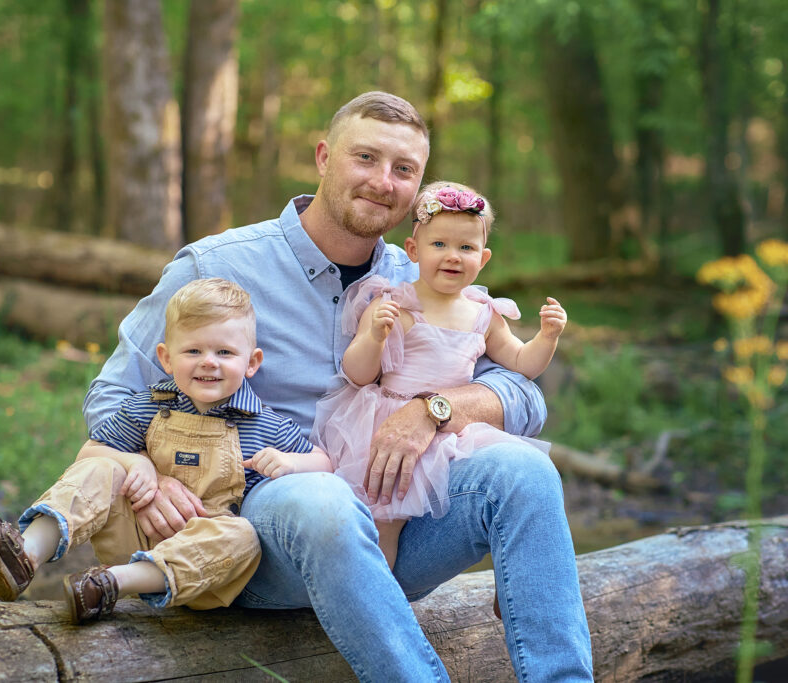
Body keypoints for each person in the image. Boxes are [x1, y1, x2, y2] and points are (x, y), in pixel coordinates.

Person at [85, 92, 593, 680]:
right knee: (320, 497)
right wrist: (146, 474)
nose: (383, 181)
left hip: (391, 527)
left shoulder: (424, 276)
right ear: (324, 157)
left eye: (404, 170)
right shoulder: (214, 266)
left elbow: (526, 396)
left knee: (526, 473)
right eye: (366, 158)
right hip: (252, 532)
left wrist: (436, 407)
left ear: (419, 190)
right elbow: (111, 399)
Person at [0, 278, 332, 624]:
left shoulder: (263, 424)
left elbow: (325, 463)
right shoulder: (149, 406)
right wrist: (135, 461)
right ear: (167, 358)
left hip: (205, 569)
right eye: (193, 350)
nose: (208, 361)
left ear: (251, 363)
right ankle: (25, 554)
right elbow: (89, 452)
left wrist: (290, 461)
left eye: (224, 351)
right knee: (105, 468)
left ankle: (111, 586)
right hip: (135, 535)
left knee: (244, 536)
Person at [312, 180, 567, 568]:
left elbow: (521, 362)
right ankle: (380, 593)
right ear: (414, 250)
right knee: (386, 520)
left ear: (482, 259)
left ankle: (517, 567)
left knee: (522, 479)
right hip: (389, 421)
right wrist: (374, 337)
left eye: (465, 248)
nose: (453, 256)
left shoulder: (484, 313)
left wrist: (547, 337)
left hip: (451, 430)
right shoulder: (392, 303)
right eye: (439, 245)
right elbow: (357, 374)